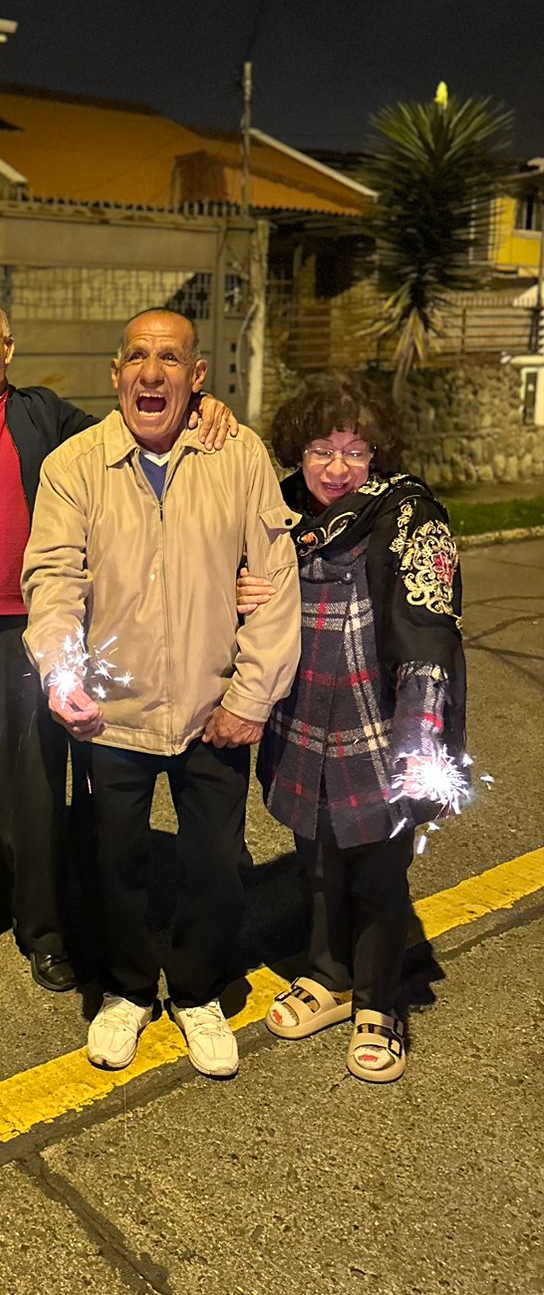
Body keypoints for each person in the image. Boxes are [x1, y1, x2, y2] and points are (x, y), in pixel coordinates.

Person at [0, 291, 236, 1000]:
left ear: (9, 348)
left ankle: (45, 934)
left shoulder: (42, 415)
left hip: (32, 640)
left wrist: (200, 408)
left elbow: (130, 429)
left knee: (35, 800)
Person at [22, 308, 301, 1078]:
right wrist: (62, 674)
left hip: (215, 707)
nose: (152, 373)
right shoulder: (74, 466)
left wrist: (251, 697)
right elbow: (52, 582)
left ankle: (200, 991)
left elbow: (275, 581)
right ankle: (127, 989)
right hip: (112, 713)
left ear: (196, 376)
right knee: (115, 863)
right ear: (116, 373)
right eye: (138, 358)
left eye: (171, 358)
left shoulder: (238, 454)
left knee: (216, 864)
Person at [237, 371, 466, 1084]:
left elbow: (429, 632)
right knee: (317, 856)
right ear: (297, 453)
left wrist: (419, 740)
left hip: (381, 719)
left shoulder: (411, 517)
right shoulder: (279, 511)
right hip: (303, 713)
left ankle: (379, 1000)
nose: (337, 468)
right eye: (321, 450)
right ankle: (328, 973)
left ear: (378, 454)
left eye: (355, 452)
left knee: (379, 868)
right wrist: (241, 589)